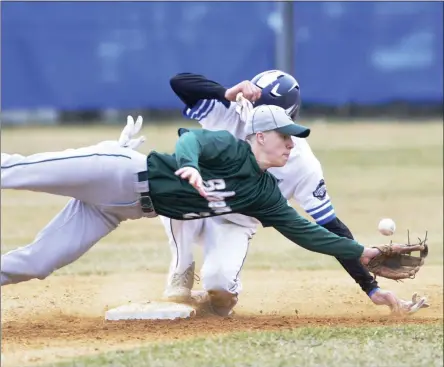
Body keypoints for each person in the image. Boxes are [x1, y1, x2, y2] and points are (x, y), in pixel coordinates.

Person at [1, 110, 404, 295]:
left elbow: (306, 231)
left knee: (37, 264)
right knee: (14, 172)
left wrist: (363, 252)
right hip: (117, 171)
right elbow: (189, 139)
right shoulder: (230, 146)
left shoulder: (263, 194)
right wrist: (190, 166)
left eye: (293, 137)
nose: (291, 144)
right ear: (260, 135)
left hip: (114, 211)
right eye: (285, 136)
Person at [160, 70, 428, 316]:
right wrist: (225, 92)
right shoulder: (234, 111)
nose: (253, 115)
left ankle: (215, 302)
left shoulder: (301, 163)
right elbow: (179, 83)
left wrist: (370, 287)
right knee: (178, 184)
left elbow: (329, 226)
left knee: (218, 285)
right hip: (199, 204)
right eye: (253, 106)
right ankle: (182, 267)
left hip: (236, 223)